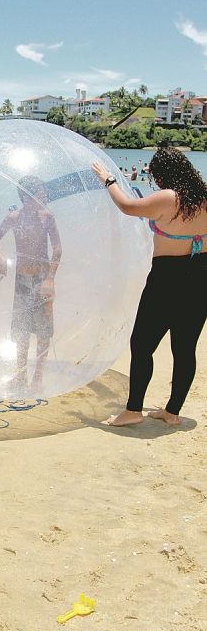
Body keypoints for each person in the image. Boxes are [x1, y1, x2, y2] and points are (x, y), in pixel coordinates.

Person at [92, 146, 207, 427]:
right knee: (184, 347)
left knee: (142, 345)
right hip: (202, 276)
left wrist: (108, 180)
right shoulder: (203, 197)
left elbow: (128, 207)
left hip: (168, 278)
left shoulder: (169, 198)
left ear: (163, 173)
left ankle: (133, 411)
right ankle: (172, 411)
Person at [0, 175, 62, 393]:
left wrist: (50, 279)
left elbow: (57, 248)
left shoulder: (46, 217)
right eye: (41, 194)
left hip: (42, 279)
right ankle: (21, 376)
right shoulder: (14, 218)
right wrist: (2, 260)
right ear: (28, 197)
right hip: (21, 280)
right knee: (22, 330)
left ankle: (37, 378)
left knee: (43, 330)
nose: (45, 198)